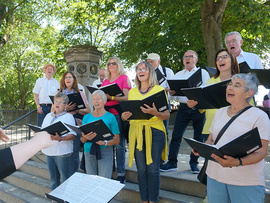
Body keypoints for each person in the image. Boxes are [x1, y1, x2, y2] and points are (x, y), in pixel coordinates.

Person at [193, 73, 270, 203]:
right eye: (229, 84)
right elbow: (211, 139)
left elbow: (261, 152)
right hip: (215, 178)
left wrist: (237, 162)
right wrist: (203, 149)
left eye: (236, 85)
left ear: (248, 93)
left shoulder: (260, 116)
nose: (230, 87)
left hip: (245, 182)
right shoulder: (219, 112)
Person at [122, 61, 170, 203]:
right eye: (138, 69)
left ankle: (153, 200)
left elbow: (167, 115)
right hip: (137, 132)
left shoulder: (159, 90)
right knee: (141, 170)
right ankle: (144, 200)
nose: (140, 71)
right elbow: (130, 114)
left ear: (150, 72)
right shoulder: (132, 92)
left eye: (144, 69)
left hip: (155, 131)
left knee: (153, 169)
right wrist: (125, 117)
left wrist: (155, 112)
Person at [160, 50, 210, 174]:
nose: (187, 59)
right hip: (182, 108)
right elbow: (172, 98)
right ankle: (172, 162)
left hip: (199, 108)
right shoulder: (177, 75)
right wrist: (171, 93)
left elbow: (206, 91)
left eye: (190, 56)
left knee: (198, 138)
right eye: (185, 57)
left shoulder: (203, 73)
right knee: (176, 135)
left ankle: (194, 163)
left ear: (196, 60)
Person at [188, 48, 240, 143]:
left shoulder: (241, 81)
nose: (220, 60)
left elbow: (249, 106)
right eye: (218, 58)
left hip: (234, 129)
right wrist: (194, 104)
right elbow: (204, 107)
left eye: (224, 57)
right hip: (210, 129)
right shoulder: (210, 81)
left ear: (233, 60)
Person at [52, 71, 91, 175]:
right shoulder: (58, 94)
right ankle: (64, 176)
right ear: (63, 80)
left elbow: (88, 111)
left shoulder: (80, 93)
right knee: (62, 152)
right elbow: (52, 112)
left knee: (74, 153)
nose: (68, 79)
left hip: (75, 124)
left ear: (74, 80)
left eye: (70, 77)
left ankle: (74, 176)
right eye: (66, 77)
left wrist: (77, 110)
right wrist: (65, 109)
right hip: (61, 125)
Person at [101, 56, 132, 184]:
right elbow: (102, 96)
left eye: (114, 63)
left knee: (119, 145)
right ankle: (108, 170)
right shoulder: (106, 80)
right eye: (109, 64)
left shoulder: (124, 78)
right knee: (107, 143)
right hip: (106, 115)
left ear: (118, 64)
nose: (111, 65)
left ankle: (121, 174)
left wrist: (111, 96)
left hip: (119, 114)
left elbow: (127, 97)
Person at [80, 90, 119, 179]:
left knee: (104, 181)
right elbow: (82, 140)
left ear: (104, 101)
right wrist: (85, 138)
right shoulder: (86, 117)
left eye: (98, 99)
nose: (95, 101)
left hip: (105, 150)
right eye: (93, 99)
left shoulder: (111, 117)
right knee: (91, 181)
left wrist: (104, 142)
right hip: (88, 150)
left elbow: (117, 140)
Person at [41, 92, 76, 190]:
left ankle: (65, 199)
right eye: (56, 101)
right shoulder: (48, 116)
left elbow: (73, 135)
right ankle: (55, 200)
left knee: (65, 180)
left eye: (61, 102)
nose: (58, 103)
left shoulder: (68, 116)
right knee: (53, 180)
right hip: (49, 152)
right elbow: (42, 130)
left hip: (62, 153)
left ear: (65, 105)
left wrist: (60, 138)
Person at [147, 53, 174, 140]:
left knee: (164, 129)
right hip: (149, 102)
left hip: (163, 102)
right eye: (148, 62)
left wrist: (161, 89)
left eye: (152, 62)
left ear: (158, 61)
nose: (149, 64)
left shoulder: (167, 71)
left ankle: (164, 151)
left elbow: (172, 89)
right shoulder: (145, 72)